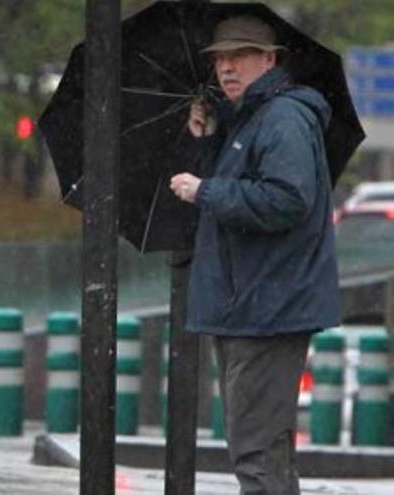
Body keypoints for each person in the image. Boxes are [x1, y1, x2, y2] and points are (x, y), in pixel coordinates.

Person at [170, 16, 339, 495]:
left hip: (266, 307)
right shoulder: (247, 120)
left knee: (256, 450)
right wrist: (208, 141)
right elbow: (246, 192)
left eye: (239, 56)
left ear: (269, 60)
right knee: (264, 449)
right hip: (252, 305)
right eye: (220, 59)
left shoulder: (282, 119)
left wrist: (205, 190)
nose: (226, 68)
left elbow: (287, 199)